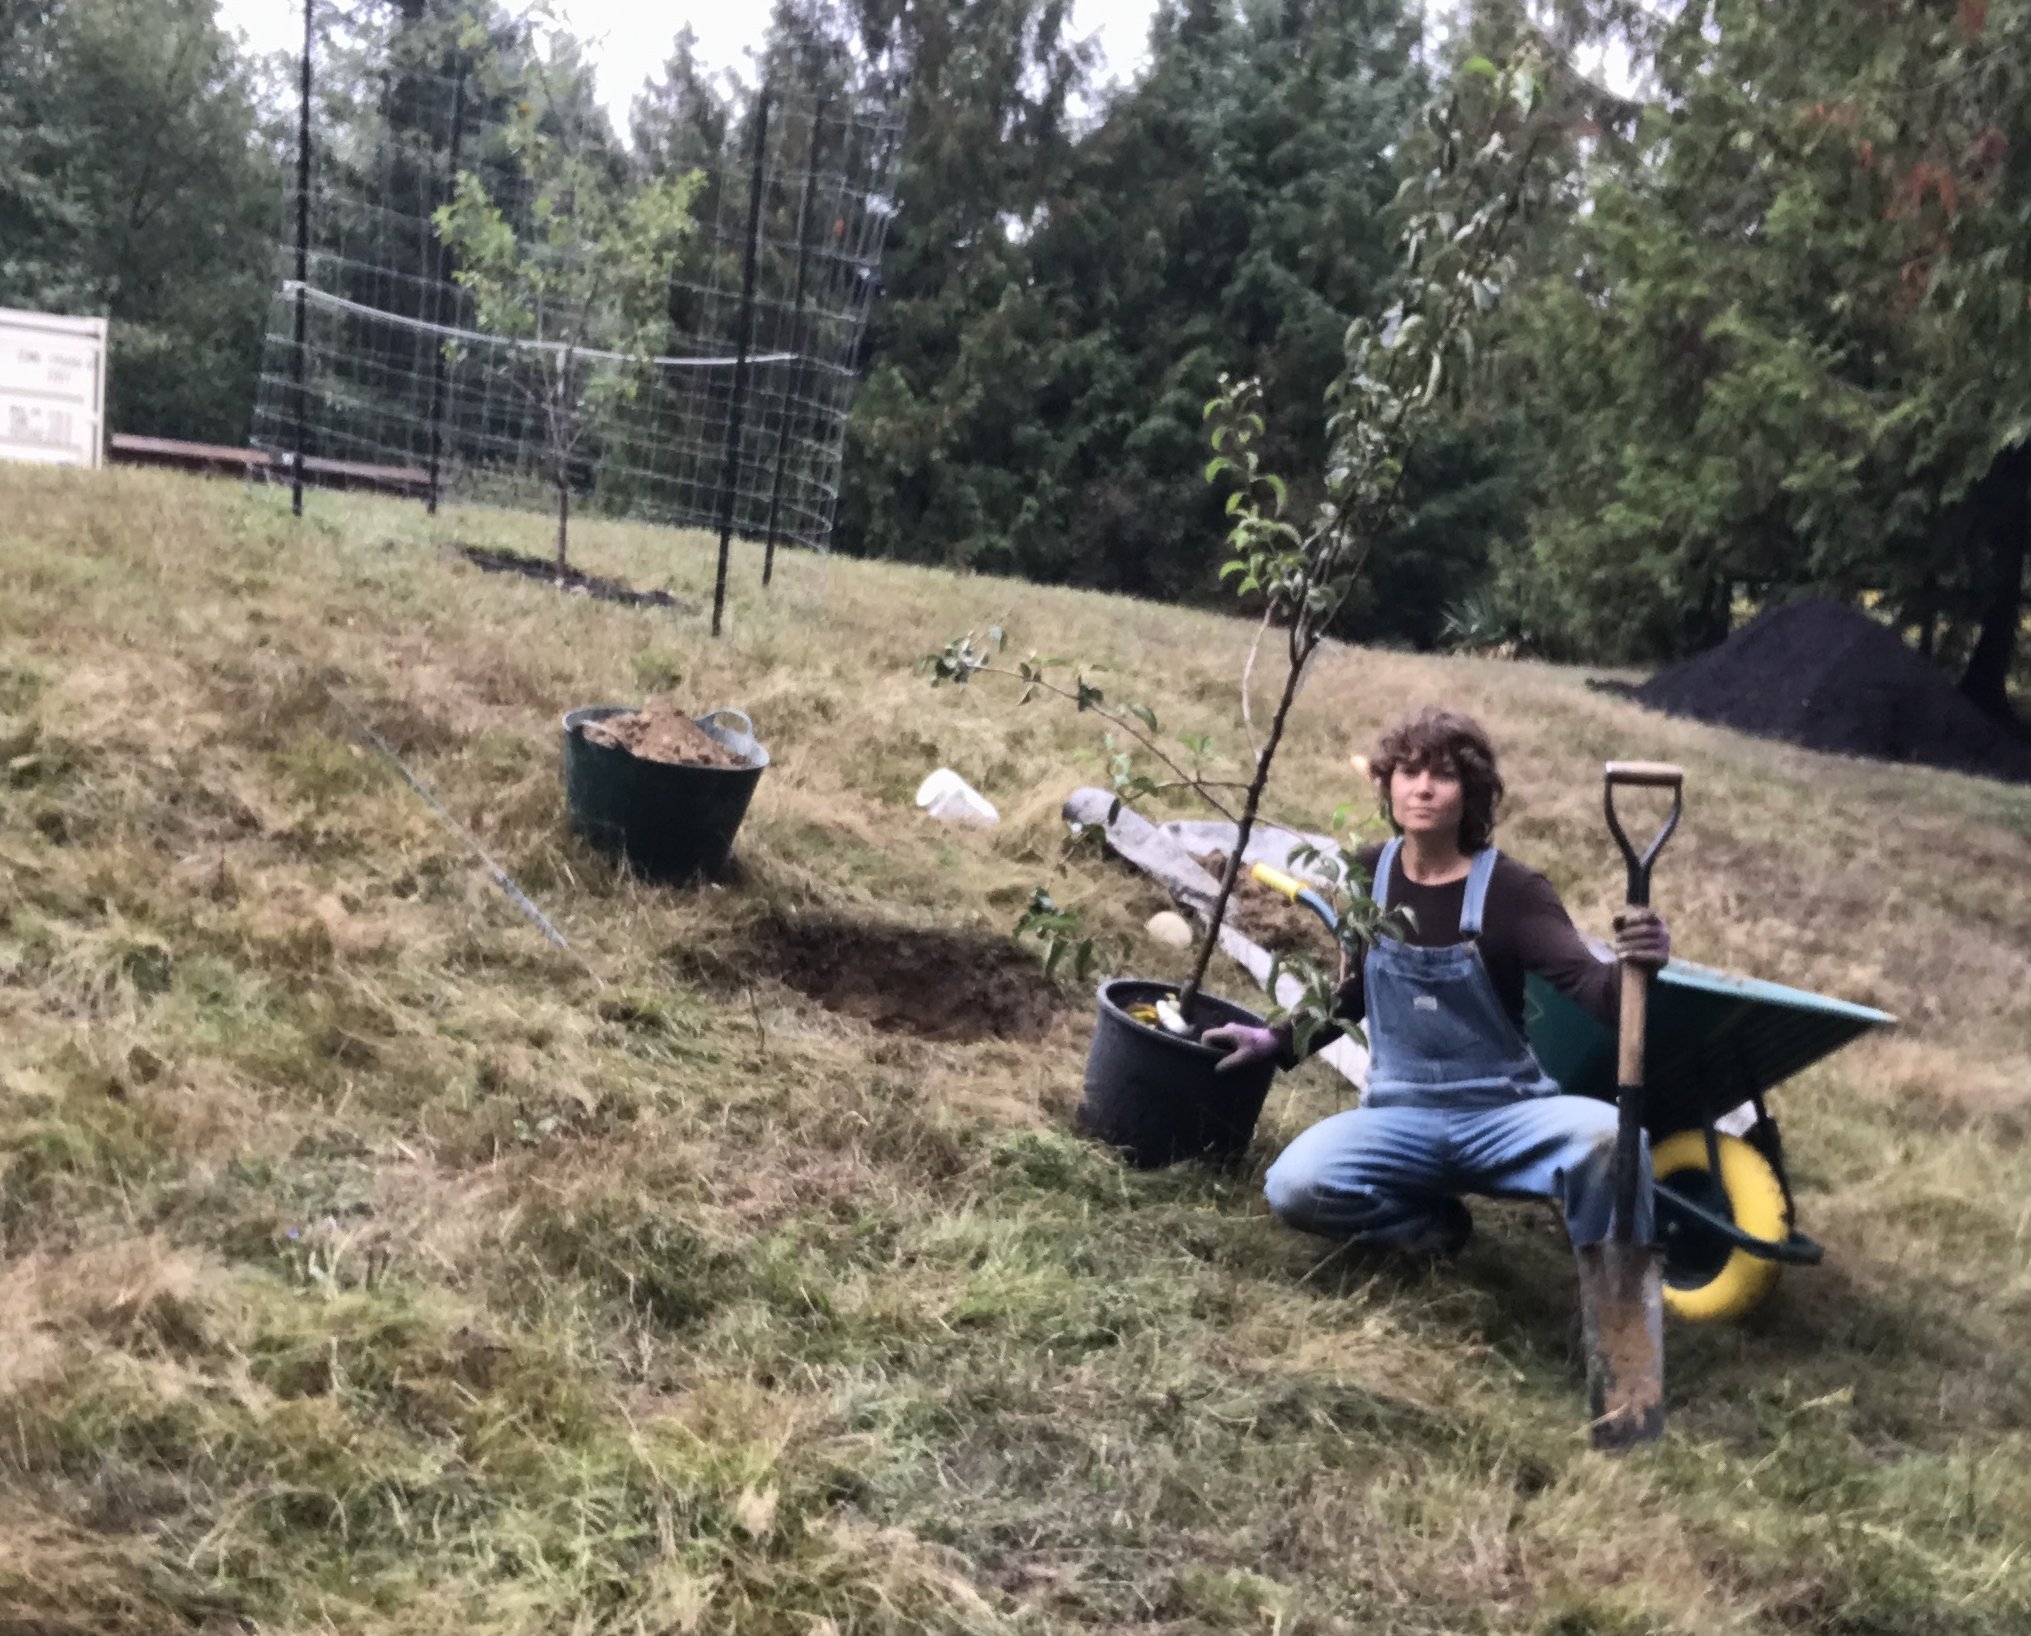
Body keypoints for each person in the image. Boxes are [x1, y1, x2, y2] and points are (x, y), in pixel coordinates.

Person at [1203, 707, 1671, 1257]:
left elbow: (1597, 992)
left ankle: (1614, 1294)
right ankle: (1430, 1229)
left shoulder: (1514, 891)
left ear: (1470, 794)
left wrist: (1642, 964)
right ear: (1388, 785)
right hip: (1399, 1117)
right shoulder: (1367, 874)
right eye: (1408, 772)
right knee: (1295, 1185)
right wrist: (1276, 1040)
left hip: (1505, 1115)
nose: (1422, 789)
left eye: (1443, 775)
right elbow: (1355, 992)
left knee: (1616, 1141)